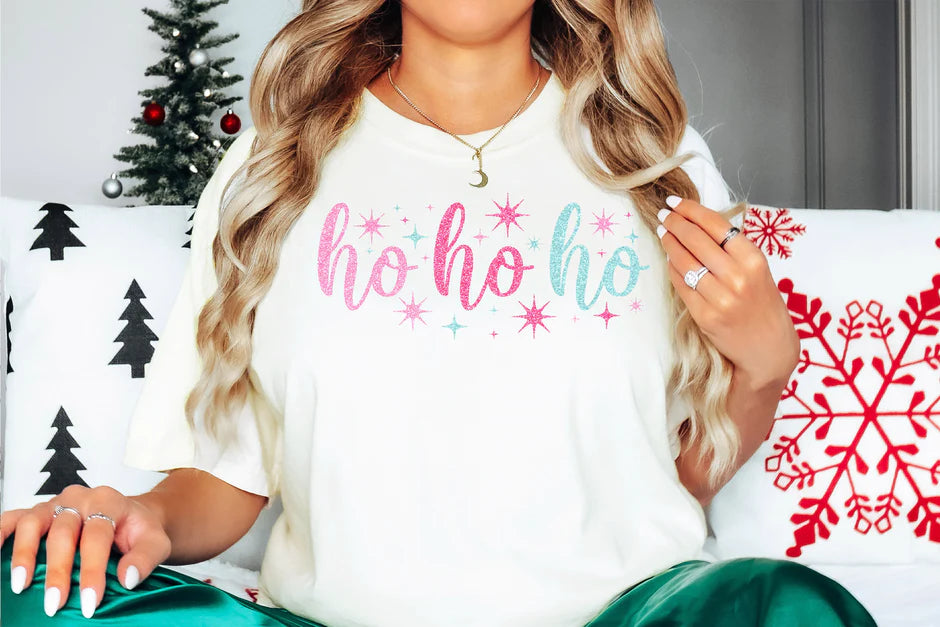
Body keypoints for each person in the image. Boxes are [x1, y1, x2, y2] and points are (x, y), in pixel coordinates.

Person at [1, 1, 878, 625]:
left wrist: (764, 366)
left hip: (625, 615)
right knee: (25, 588)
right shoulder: (273, 163)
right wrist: (135, 515)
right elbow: (232, 475)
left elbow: (667, 475)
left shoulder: (654, 157)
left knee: (795, 611)